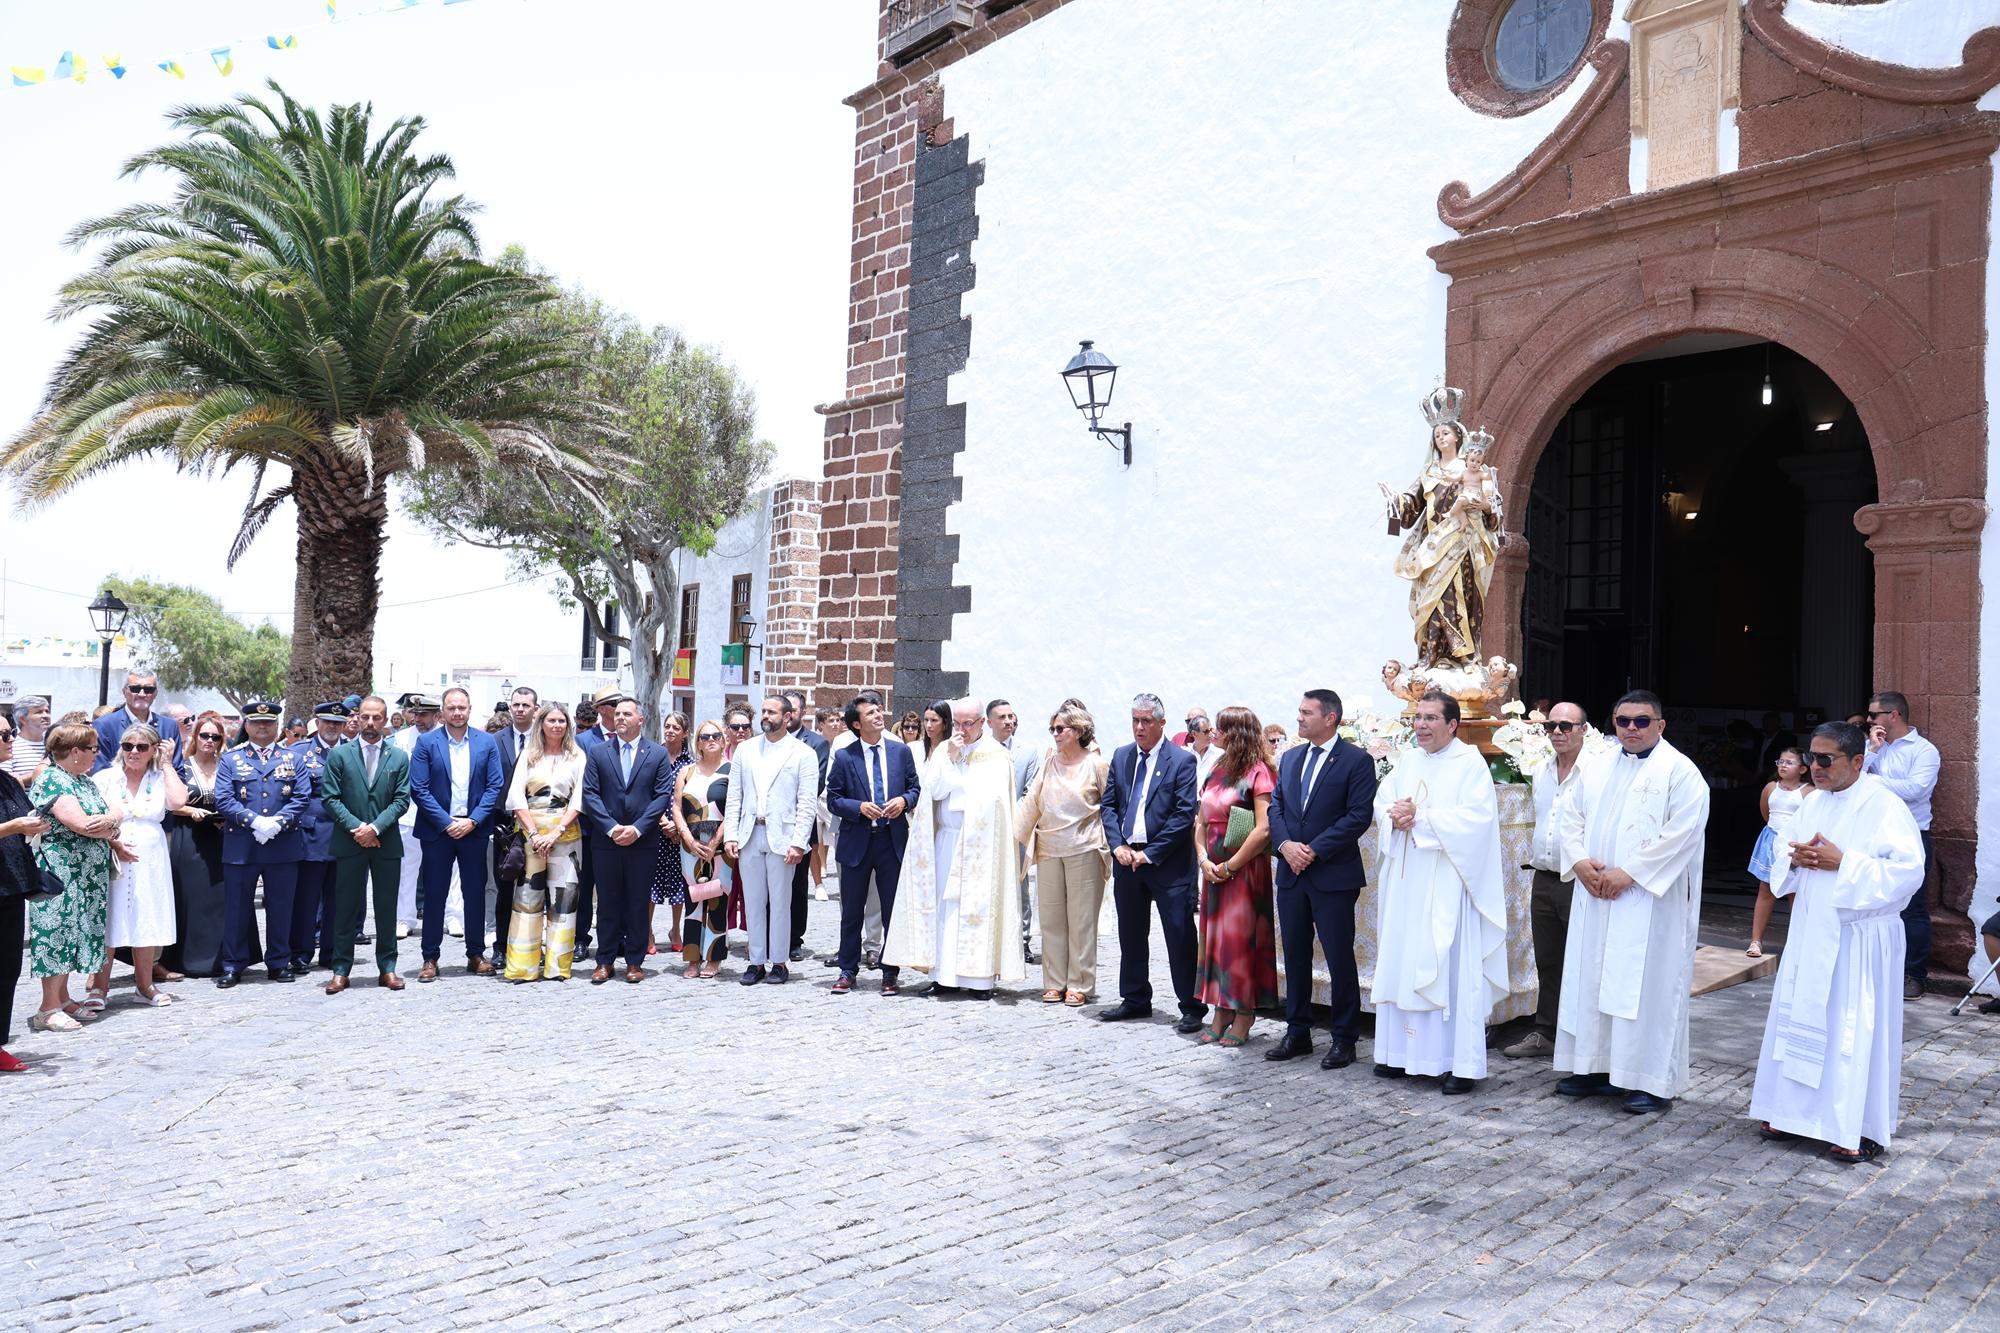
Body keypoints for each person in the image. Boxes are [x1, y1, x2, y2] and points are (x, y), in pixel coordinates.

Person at [1748, 722, 1926, 1163]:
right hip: (1812, 928)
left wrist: (1843, 863)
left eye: (1826, 760)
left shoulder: (1885, 805)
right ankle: (1789, 1113)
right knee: (1799, 1020)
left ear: (1859, 762)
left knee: (1852, 1029)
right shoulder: (1812, 803)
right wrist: (1797, 859)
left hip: (1858, 936)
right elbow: (1784, 857)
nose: (1816, 768)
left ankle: (1857, 1126)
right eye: (1811, 758)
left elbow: (1908, 872)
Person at [1554, 689, 1710, 1115]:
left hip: (1648, 902)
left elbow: (1683, 833)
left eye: (1642, 721)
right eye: (1624, 721)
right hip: (1597, 893)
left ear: (1661, 725)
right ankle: (1595, 1067)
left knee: (1647, 986)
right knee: (1593, 977)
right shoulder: (1598, 765)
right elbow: (1570, 815)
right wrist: (1582, 863)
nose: (1632, 729)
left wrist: (1630, 874)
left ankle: (1649, 1080)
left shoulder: (1681, 772)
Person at [1369, 692, 1506, 1092]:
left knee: (1445, 967)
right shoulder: (1407, 761)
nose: (1421, 725)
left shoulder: (1470, 765)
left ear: (1452, 725)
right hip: (1407, 882)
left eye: (1431, 718)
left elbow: (1478, 820)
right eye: (1418, 718)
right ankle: (1397, 1055)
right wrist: (1393, 814)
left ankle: (1455, 1063)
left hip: (1448, 883)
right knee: (1401, 961)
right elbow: (1383, 801)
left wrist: (1422, 818)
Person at [1265, 689, 1378, 1069]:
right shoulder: (1292, 757)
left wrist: (1311, 850)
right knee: (1294, 954)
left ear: (1330, 718)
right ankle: (1297, 1030)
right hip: (1292, 874)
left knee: (1338, 956)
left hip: (1331, 874)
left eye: (1306, 712)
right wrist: (1284, 846)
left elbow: (1358, 816)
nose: (1299, 718)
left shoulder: (1356, 761)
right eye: (1298, 711)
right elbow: (1276, 806)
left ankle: (1344, 1037)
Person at [884, 697, 1022, 996]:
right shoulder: (945, 750)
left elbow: (994, 801)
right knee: (945, 907)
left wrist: (965, 774)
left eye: (968, 724)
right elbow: (934, 791)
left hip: (981, 845)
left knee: (977, 908)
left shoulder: (996, 755)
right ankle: (943, 976)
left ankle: (979, 980)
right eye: (957, 723)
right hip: (947, 839)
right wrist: (952, 759)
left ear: (982, 723)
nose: (962, 729)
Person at [1097, 693, 1203, 1030]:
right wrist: (1117, 846)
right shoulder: (1122, 756)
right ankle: (1135, 998)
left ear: (1161, 723)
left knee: (1180, 934)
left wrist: (1151, 852)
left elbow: (1184, 813)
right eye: (1135, 720)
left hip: (1167, 863)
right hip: (1128, 859)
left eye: (1146, 721)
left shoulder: (1182, 761)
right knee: (1130, 933)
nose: (1139, 727)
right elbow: (1109, 805)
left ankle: (1191, 1005)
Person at [1503, 701, 1590, 1060]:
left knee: (1582, 960)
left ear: (1584, 729)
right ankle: (1546, 1032)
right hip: (1544, 876)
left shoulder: (1595, 773)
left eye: (1566, 726)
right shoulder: (1539, 770)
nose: (1557, 732)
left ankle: (1581, 1038)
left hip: (1579, 878)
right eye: (1551, 726)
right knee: (1548, 959)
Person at [28, 722, 128, 1030]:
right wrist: (112, 821)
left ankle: (64, 998)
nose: (97, 755)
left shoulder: (83, 782)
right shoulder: (52, 780)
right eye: (92, 749)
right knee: (58, 932)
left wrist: (111, 820)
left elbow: (114, 813)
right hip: (61, 872)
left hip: (86, 873)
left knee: (78, 932)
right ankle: (47, 1008)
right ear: (75, 752)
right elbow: (83, 824)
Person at [1191, 706, 1278, 1048]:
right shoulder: (1216, 768)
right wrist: (1203, 860)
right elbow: (1200, 821)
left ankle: (1244, 1012)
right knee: (1215, 942)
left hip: (1243, 870)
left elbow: (1264, 827)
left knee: (1240, 944)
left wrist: (1231, 866)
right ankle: (1220, 1009)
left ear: (1237, 733)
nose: (1213, 733)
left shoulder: (1258, 771)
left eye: (1221, 728)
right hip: (1213, 870)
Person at [825, 695, 921, 996]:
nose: (879, 715)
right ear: (857, 723)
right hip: (856, 843)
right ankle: (847, 970)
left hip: (891, 841)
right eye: (870, 713)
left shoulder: (900, 752)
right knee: (852, 910)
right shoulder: (844, 756)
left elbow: (915, 788)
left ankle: (890, 972)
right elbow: (833, 800)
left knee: (892, 909)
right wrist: (859, 807)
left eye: (879, 710)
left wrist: (904, 801)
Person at [409, 687, 506, 982]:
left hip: (474, 831)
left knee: (474, 892)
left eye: (462, 707)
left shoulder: (486, 742)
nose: (457, 713)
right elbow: (419, 788)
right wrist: (446, 822)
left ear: (470, 709)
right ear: (442, 712)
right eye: (451, 708)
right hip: (438, 831)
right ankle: (430, 957)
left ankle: (475, 953)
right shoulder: (427, 743)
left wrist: (473, 820)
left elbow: (494, 786)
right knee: (435, 894)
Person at [1017, 704, 1111, 1006]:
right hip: (1048, 848)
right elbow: (1032, 801)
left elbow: (1109, 807)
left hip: (1084, 846)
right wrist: (1013, 835)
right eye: (1053, 729)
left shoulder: (1096, 764)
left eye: (1061, 729)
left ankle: (1081, 983)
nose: (1056, 734)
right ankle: (1054, 981)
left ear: (1079, 731)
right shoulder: (1049, 763)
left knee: (1081, 920)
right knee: (1052, 920)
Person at [214, 700, 312, 987]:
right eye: (257, 723)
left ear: (277, 726)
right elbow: (224, 798)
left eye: (268, 723)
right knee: (236, 909)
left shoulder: (293, 758)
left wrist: (276, 823)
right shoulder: (231, 759)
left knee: (281, 907)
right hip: (242, 845)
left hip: (282, 844)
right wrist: (255, 822)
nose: (262, 727)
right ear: (246, 725)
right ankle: (233, 964)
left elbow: (302, 796)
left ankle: (279, 962)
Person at [581, 697, 678, 984]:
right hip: (606, 841)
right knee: (608, 902)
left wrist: (637, 828)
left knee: (637, 901)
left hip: (642, 841)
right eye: (617, 713)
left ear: (641, 720)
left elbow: (661, 795)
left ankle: (635, 961)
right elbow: (590, 794)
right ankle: (605, 960)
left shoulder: (657, 754)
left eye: (627, 714)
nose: (620, 718)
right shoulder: (599, 753)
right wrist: (611, 828)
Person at [90, 722, 188, 1007]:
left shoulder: (159, 777)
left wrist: (167, 764)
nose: (133, 751)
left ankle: (144, 985)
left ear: (152, 750)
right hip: (113, 854)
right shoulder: (106, 778)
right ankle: (99, 988)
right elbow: (93, 816)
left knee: (147, 916)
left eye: (141, 747)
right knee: (110, 919)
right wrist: (113, 843)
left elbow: (178, 800)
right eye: (127, 746)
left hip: (150, 857)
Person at [721, 697, 817, 984]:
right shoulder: (746, 750)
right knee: (752, 902)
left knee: (780, 901)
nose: (765, 716)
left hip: (783, 836)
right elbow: (734, 795)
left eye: (771, 712)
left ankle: (779, 961)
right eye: (763, 711)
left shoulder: (802, 753)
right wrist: (731, 834)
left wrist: (799, 841)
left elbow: (807, 802)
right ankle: (755, 961)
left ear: (787, 717)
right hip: (751, 833)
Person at [319, 696, 413, 992]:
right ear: (356, 718)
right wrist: (357, 827)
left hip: (386, 843)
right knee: (345, 908)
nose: (371, 723)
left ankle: (387, 968)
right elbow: (330, 798)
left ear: (385, 720)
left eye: (377, 718)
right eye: (366, 717)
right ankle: (341, 969)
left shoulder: (398, 757)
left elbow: (402, 799)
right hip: (350, 842)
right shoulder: (340, 755)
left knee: (386, 909)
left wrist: (375, 827)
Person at [1861, 691, 1940, 1000]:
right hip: (1873, 832)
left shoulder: (1924, 751)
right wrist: (1870, 751)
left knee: (1913, 907)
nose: (1868, 720)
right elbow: (1852, 778)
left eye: (1873, 715)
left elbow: (1916, 790)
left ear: (1893, 715)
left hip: (1912, 835)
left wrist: (1875, 782)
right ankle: (1878, 969)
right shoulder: (1873, 748)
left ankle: (1914, 975)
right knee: (1874, 902)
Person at [503, 702, 587, 981]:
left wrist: (556, 832)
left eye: (561, 721)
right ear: (542, 724)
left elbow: (579, 800)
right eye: (551, 720)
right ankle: (523, 966)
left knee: (564, 902)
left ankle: (557, 967)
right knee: (528, 900)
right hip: (532, 838)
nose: (557, 726)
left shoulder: (576, 756)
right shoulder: (529, 755)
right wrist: (537, 834)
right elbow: (516, 798)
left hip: (566, 837)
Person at [0, 716, 52, 1068]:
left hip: (11, 885)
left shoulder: (8, 780)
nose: (10, 739)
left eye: (11, 733)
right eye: (4, 734)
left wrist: (33, 824)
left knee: (7, 967)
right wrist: (15, 826)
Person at [169, 711, 232, 976]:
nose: (209, 741)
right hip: (189, 837)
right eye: (204, 735)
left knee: (220, 899)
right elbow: (170, 803)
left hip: (220, 837)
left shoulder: (228, 766)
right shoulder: (181, 767)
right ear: (195, 736)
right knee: (190, 897)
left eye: (215, 737)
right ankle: (186, 960)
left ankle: (219, 959)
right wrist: (190, 811)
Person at [289, 701, 348, 972]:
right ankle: (301, 952)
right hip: (311, 835)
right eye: (327, 722)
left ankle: (331, 952)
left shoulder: (353, 751)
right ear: (317, 723)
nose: (333, 727)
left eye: (337, 723)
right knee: (307, 899)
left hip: (344, 835)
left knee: (339, 899)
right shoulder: (300, 752)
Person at [674, 720, 734, 979]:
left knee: (717, 898)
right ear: (697, 742)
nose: (710, 739)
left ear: (724, 740)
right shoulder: (686, 771)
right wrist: (687, 838)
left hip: (719, 843)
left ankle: (714, 957)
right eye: (703, 736)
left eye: (715, 735)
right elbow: (676, 806)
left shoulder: (732, 771)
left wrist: (715, 842)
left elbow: (735, 808)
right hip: (691, 843)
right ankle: (692, 958)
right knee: (693, 899)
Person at [490, 685, 542, 968]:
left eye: (525, 705)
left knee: (536, 890)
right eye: (516, 704)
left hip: (538, 825)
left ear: (535, 708)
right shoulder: (494, 741)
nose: (520, 709)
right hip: (505, 828)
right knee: (505, 888)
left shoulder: (545, 740)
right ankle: (500, 946)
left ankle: (534, 946)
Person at [987, 698, 1041, 966]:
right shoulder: (980, 751)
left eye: (1011, 716)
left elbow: (1029, 791)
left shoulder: (1028, 751)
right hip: (985, 829)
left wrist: (1013, 822)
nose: (1008, 721)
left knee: (1020, 884)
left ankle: (1023, 939)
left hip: (1016, 828)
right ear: (989, 722)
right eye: (1002, 717)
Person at [574, 686, 626, 959]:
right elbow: (584, 787)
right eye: (615, 704)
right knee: (586, 886)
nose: (619, 709)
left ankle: (617, 936)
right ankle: (581, 938)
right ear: (603, 709)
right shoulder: (584, 741)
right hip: (591, 827)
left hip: (623, 826)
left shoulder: (630, 737)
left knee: (615, 887)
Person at [780, 689, 831, 964]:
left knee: (798, 884)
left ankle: (793, 939)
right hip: (771, 823)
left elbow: (817, 783)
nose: (789, 715)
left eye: (795, 710)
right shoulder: (767, 741)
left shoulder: (817, 744)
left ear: (801, 713)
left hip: (800, 821)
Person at [1746, 747, 1811, 959]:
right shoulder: (1770, 788)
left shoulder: (1809, 792)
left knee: (1795, 893)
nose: (1783, 765)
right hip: (1772, 842)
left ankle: (1798, 941)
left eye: (1789, 762)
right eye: (1780, 761)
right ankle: (1756, 940)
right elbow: (1766, 812)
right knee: (1766, 890)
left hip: (1794, 847)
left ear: (1802, 768)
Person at [390, 694, 441, 941]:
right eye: (415, 713)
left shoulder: (447, 736)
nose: (418, 719)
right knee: (406, 870)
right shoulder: (399, 740)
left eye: (424, 714)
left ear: (436, 715)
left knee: (447, 869)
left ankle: (452, 916)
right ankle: (404, 918)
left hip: (442, 815)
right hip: (409, 814)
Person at [646, 713, 692, 956]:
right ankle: (648, 931)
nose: (671, 731)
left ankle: (676, 930)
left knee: (678, 883)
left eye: (676, 727)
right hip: (655, 827)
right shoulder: (654, 755)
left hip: (679, 831)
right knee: (651, 883)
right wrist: (664, 822)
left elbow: (689, 797)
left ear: (685, 732)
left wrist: (678, 826)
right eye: (667, 726)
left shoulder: (690, 762)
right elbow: (648, 792)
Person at [91, 670, 183, 774]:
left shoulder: (169, 726)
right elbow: (99, 772)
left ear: (155, 693)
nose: (142, 694)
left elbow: (178, 772)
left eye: (148, 689)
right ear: (124, 691)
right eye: (135, 688)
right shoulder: (104, 725)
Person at [6, 695, 50, 781]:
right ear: (22, 719)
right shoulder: (10, 747)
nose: (46, 715)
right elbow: (6, 785)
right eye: (39, 712)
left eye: (47, 711)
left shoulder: (54, 744)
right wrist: (42, 772)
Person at [1183, 709, 1224, 795]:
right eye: (1206, 732)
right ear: (1194, 734)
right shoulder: (1183, 754)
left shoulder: (1220, 754)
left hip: (1210, 805)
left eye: (1210, 730)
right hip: (1188, 804)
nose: (1210, 734)